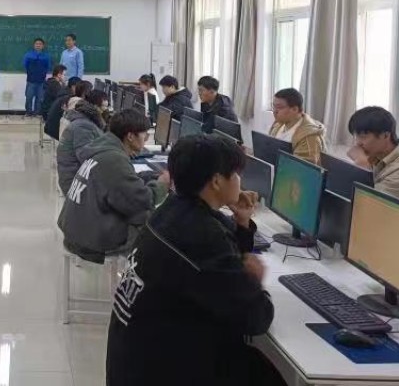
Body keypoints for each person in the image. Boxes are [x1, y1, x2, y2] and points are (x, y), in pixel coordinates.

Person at [106, 135, 278, 386]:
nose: (240, 181)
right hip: (161, 371)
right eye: (236, 174)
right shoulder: (200, 234)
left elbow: (219, 266)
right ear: (216, 181)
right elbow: (256, 318)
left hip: (138, 360)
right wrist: (255, 281)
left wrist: (242, 224)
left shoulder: (172, 210)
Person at [57, 109, 156, 264]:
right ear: (130, 136)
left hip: (75, 231)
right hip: (88, 242)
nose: (146, 140)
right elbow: (142, 201)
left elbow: (120, 187)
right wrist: (161, 185)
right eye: (145, 135)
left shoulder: (101, 148)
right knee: (154, 223)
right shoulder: (113, 159)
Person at [56, 95, 106, 196]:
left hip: (74, 178)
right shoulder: (83, 127)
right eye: (103, 107)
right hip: (76, 183)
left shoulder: (81, 122)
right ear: (95, 108)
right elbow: (86, 158)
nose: (105, 110)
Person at [269, 88, 326, 165]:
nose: (275, 111)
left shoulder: (309, 137)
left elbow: (301, 169)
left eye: (279, 107)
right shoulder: (278, 124)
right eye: (274, 106)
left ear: (295, 109)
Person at [23, 38, 52, 117]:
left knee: (39, 98)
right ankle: (28, 112)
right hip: (31, 81)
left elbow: (48, 67)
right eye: (36, 44)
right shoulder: (28, 55)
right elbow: (25, 66)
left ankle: (37, 113)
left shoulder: (46, 56)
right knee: (29, 97)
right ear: (34, 45)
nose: (38, 45)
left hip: (41, 81)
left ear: (43, 46)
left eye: (40, 44)